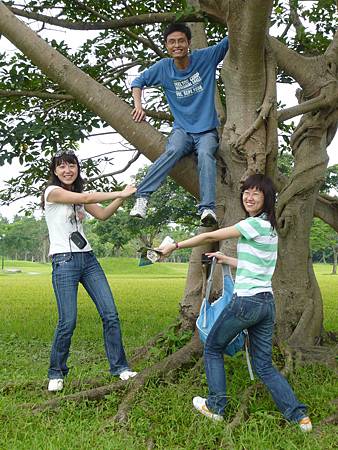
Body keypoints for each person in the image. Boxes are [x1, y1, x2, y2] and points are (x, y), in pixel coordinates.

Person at [160, 174, 312, 432]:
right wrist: (226, 259)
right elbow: (258, 266)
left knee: (212, 347)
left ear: (267, 198)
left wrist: (175, 244)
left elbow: (215, 233)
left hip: (246, 303)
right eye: (246, 192)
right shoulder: (270, 228)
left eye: (256, 193)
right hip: (266, 303)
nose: (249, 197)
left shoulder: (252, 224)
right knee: (263, 365)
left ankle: (217, 407)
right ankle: (300, 417)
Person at [42, 149, 137, 392]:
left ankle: (120, 367)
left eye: (71, 165)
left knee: (110, 315)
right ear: (55, 171)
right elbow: (85, 200)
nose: (67, 170)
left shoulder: (78, 194)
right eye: (62, 166)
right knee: (68, 321)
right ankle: (56, 372)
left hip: (89, 260)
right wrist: (120, 191)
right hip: (64, 261)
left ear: (77, 168)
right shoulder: (52, 192)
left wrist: (124, 198)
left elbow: (103, 214)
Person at [130, 22, 229, 227]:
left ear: (189, 43)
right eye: (172, 42)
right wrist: (139, 106)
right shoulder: (164, 67)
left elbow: (230, 40)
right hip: (182, 129)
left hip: (207, 130)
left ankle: (207, 208)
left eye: (181, 41)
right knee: (173, 149)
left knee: (205, 155)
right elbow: (137, 83)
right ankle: (142, 197)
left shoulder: (205, 58)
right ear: (166, 45)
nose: (177, 45)